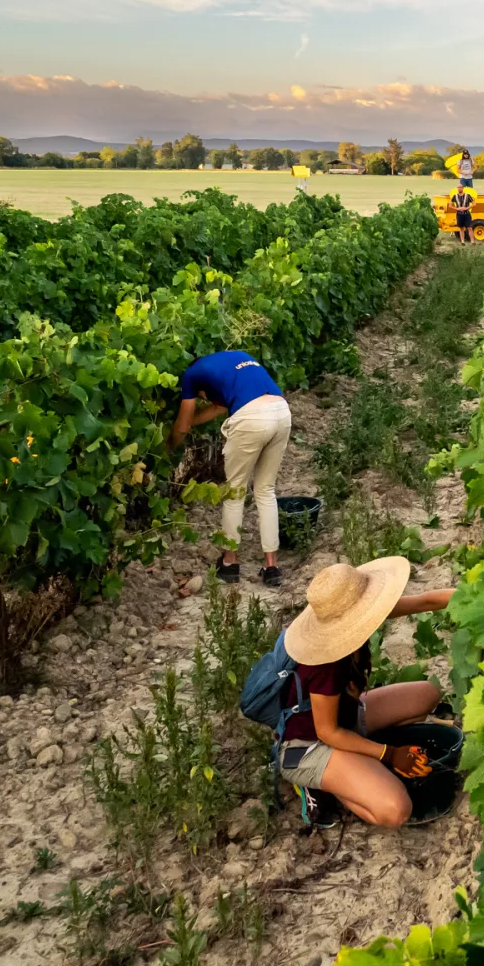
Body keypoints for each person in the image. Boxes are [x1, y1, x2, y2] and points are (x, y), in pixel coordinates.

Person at [278, 558, 455, 826]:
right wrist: (390, 754)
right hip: (309, 746)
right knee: (395, 809)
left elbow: (424, 602)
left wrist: (478, 594)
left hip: (347, 718)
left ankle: (360, 762)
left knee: (427, 694)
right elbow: (327, 732)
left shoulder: (358, 621)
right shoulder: (326, 662)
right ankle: (327, 786)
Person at [168, 350, 292, 586]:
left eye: (201, 398)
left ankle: (230, 562)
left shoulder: (191, 374)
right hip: (281, 411)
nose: (204, 400)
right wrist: (191, 422)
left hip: (251, 418)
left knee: (234, 491)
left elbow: (182, 427)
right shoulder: (235, 358)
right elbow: (218, 407)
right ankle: (271, 566)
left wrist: (168, 448)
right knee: (265, 490)